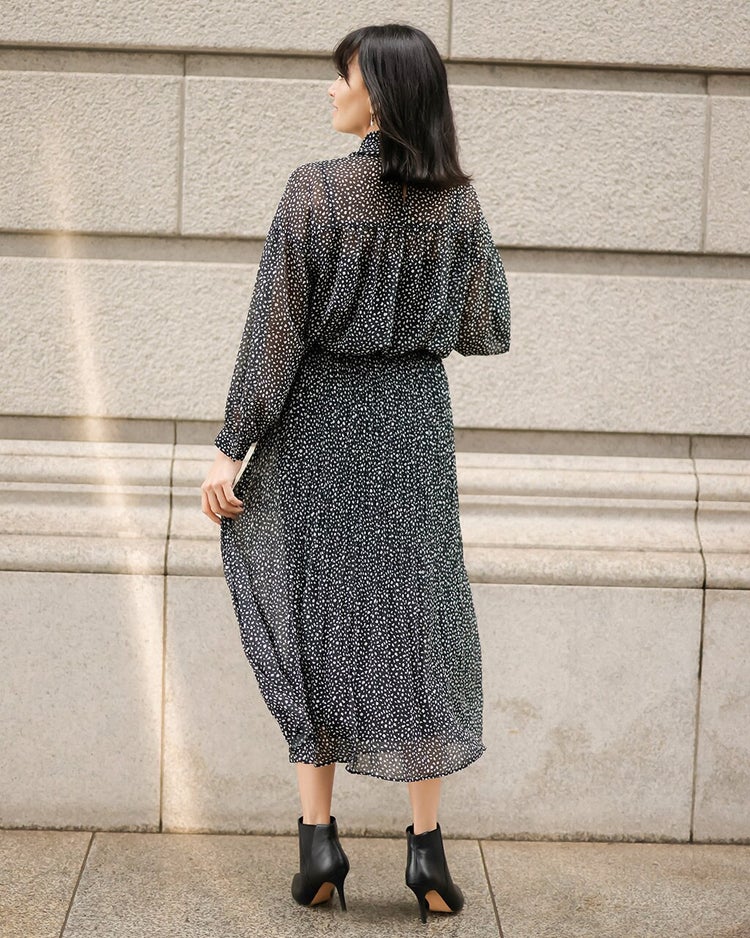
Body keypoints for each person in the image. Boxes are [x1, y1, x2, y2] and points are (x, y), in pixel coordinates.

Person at [200, 22, 511, 924]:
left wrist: (231, 443)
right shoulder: (457, 203)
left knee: (313, 617)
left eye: (341, 77)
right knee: (420, 621)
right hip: (411, 429)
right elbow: (487, 327)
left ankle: (319, 845)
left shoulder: (315, 190)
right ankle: (427, 853)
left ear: (376, 89)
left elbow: (275, 330)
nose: (330, 91)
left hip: (320, 427)